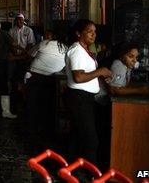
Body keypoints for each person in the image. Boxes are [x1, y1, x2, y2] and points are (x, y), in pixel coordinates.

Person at [65, 19, 112, 163]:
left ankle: (71, 168)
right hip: (79, 99)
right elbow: (78, 77)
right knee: (91, 140)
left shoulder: (85, 50)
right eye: (89, 31)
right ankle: (91, 174)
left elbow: (88, 73)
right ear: (79, 33)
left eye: (95, 32)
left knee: (77, 136)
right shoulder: (77, 51)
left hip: (84, 98)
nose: (94, 35)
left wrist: (101, 76)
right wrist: (100, 71)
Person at [25, 26, 69, 135]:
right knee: (47, 104)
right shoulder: (66, 49)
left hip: (34, 76)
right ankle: (45, 129)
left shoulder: (45, 43)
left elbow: (29, 54)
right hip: (51, 79)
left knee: (32, 104)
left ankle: (31, 129)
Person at [8, 13, 35, 111]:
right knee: (14, 76)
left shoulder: (28, 30)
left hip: (25, 57)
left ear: (23, 20)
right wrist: (15, 52)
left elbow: (30, 43)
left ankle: (22, 96)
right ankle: (14, 95)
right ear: (15, 21)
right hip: (15, 56)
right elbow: (10, 44)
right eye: (17, 20)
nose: (19, 21)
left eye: (21, 20)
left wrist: (25, 53)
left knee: (23, 76)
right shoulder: (11, 30)